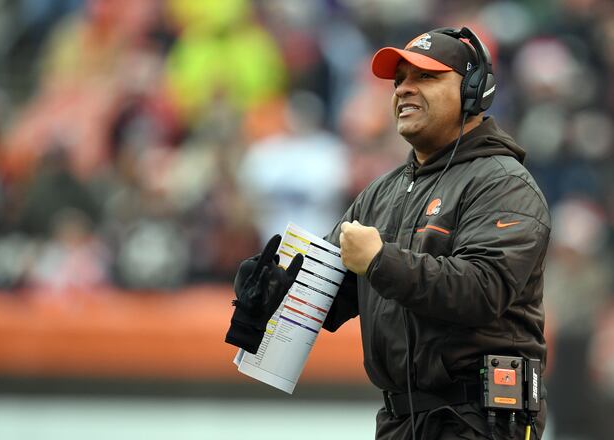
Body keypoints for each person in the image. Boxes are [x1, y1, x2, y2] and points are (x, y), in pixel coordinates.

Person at [226, 27, 550, 440]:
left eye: (426, 77)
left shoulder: (504, 183)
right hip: (400, 421)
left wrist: (381, 261)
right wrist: (272, 295)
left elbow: (484, 290)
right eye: (399, 81)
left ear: (474, 93)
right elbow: (332, 297)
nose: (404, 90)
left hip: (482, 421)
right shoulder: (381, 193)